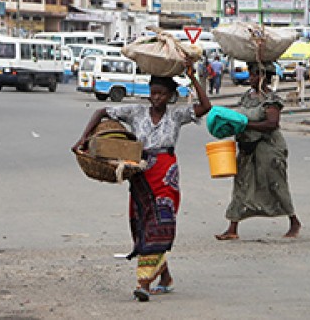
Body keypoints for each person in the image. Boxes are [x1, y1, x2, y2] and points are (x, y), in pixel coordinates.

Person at [72, 63, 211, 302]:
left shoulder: (177, 115)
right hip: (139, 172)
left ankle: (144, 282)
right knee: (142, 225)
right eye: (153, 92)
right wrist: (83, 138)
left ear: (170, 96)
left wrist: (193, 78)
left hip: (166, 173)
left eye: (162, 94)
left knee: (159, 223)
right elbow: (101, 111)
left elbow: (206, 106)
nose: (156, 98)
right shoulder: (136, 112)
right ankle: (165, 277)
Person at [215, 62, 301, 241]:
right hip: (247, 148)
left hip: (268, 148)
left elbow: (272, 124)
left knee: (275, 183)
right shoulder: (247, 96)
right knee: (241, 183)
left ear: (263, 77)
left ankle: (294, 221)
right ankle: (232, 227)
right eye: (250, 74)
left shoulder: (271, 99)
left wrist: (245, 125)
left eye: (254, 75)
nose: (250, 78)